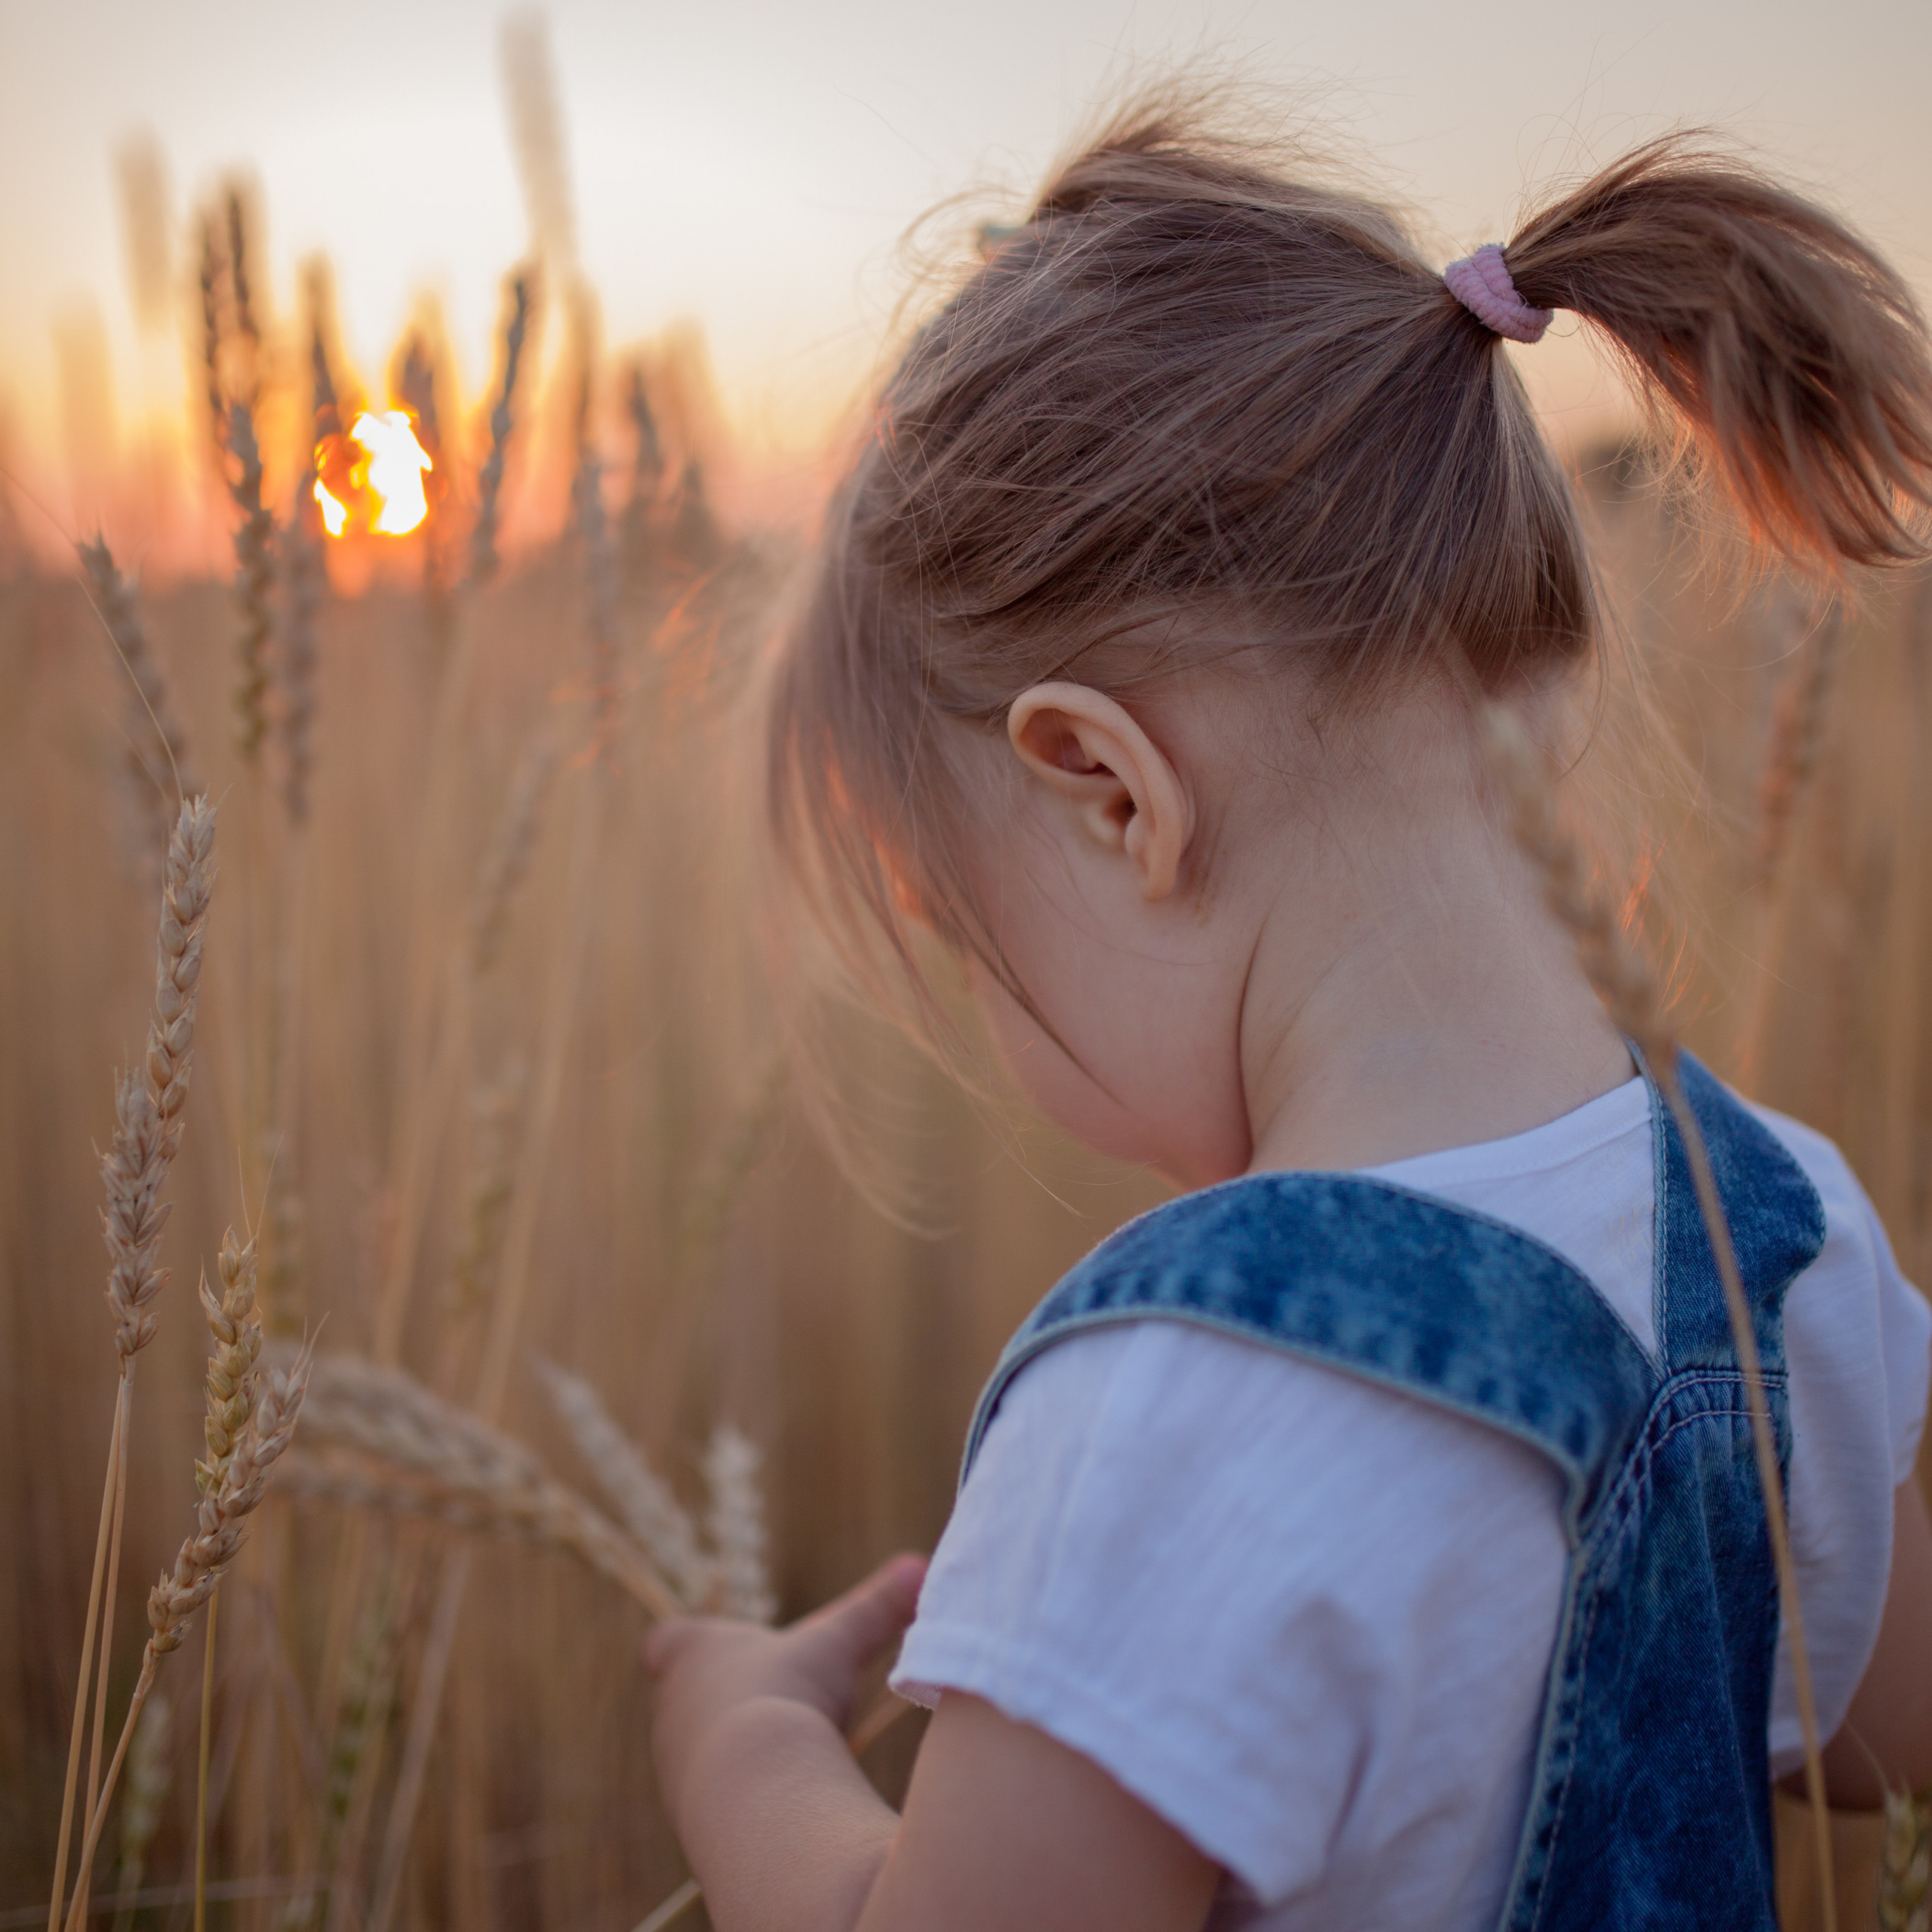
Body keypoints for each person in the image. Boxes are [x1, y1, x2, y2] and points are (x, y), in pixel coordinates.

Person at [645, 91, 1932, 1931]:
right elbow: (1880, 1736)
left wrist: (739, 1743)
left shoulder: (1181, 1413)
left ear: (1108, 790)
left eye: (956, 931)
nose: (993, 1034)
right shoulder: (1770, 1241)